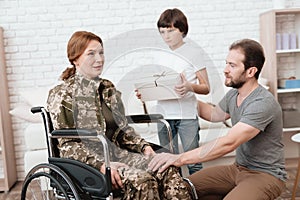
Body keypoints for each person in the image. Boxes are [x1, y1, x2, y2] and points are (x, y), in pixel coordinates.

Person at [47, 31, 191, 200]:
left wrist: (142, 146)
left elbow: (122, 130)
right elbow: (68, 146)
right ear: (75, 59)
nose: (99, 59)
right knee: (142, 180)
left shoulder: (107, 88)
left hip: (117, 154)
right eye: (91, 54)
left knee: (165, 168)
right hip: (87, 164)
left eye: (101, 52)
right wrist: (101, 165)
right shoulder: (62, 94)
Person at [148, 38, 287, 199]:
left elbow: (229, 143)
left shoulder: (262, 103)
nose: (225, 70)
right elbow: (214, 114)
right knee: (180, 188)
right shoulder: (234, 94)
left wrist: (179, 158)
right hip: (237, 169)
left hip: (265, 175)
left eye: (232, 65)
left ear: (251, 71)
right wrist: (182, 95)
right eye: (226, 63)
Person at [139, 8, 210, 175]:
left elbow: (206, 87)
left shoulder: (194, 53)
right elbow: (158, 86)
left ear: (182, 30)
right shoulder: (159, 55)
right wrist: (146, 93)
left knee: (193, 162)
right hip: (163, 116)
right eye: (162, 32)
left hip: (186, 116)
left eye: (170, 31)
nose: (166, 36)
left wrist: (189, 87)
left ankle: (198, 193)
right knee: (167, 162)